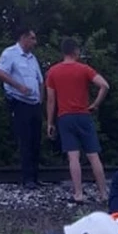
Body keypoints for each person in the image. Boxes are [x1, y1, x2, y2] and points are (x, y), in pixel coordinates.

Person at [45, 38, 110, 204]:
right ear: (75, 51)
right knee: (93, 156)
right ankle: (103, 193)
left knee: (73, 157)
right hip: (83, 115)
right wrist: (95, 104)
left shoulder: (53, 72)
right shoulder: (84, 69)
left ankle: (79, 194)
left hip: (65, 117)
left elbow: (51, 100)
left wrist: (50, 122)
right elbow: (104, 85)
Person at [0, 27, 44, 188]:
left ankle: (35, 177)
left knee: (36, 140)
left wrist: (41, 99)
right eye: (32, 38)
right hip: (19, 101)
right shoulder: (10, 53)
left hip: (35, 103)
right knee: (26, 140)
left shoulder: (32, 58)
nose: (35, 42)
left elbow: (40, 80)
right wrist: (18, 86)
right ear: (23, 38)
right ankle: (27, 178)